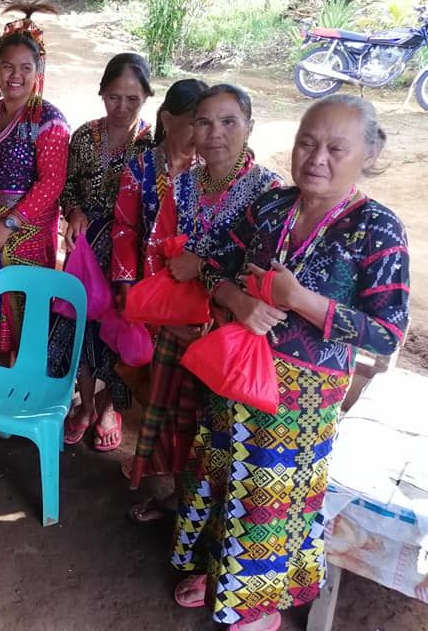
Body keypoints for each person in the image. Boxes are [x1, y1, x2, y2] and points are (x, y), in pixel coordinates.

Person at [171, 95, 410, 631]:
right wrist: (238, 301)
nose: (317, 158)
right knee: (220, 475)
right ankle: (216, 574)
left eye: (335, 149)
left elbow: (387, 332)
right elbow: (212, 265)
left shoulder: (377, 229)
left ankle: (258, 608)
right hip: (236, 375)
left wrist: (301, 300)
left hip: (298, 405)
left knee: (270, 501)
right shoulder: (272, 206)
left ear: (368, 154)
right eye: (307, 142)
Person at [126, 83, 282, 521]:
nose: (215, 133)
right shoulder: (185, 185)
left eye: (229, 121)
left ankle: (208, 524)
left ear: (250, 126)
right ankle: (178, 503)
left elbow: (265, 272)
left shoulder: (269, 192)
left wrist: (203, 270)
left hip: (229, 334)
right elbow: (159, 250)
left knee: (215, 432)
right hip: (179, 323)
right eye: (205, 122)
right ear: (191, 128)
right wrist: (166, 316)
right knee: (177, 421)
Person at [109, 78, 208, 511]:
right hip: (149, 293)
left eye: (209, 123)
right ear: (168, 118)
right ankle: (154, 471)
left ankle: (169, 479)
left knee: (183, 394)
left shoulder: (209, 172)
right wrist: (125, 284)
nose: (203, 133)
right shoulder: (142, 168)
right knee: (150, 381)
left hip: (193, 302)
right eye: (195, 122)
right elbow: (125, 228)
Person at [49, 52, 154, 452]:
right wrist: (74, 210)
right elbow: (67, 186)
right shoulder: (84, 137)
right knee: (79, 326)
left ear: (146, 97)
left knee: (118, 332)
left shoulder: (151, 145)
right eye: (114, 97)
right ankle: (86, 405)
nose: (122, 106)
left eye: (132, 99)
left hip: (128, 258)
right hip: (85, 250)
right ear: (102, 93)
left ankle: (109, 408)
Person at [0, 2, 70, 361]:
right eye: (8, 66)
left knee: (21, 312)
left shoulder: (49, 120)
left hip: (26, 233)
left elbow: (52, 183)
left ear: (38, 71)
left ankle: (21, 388)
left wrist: (9, 224)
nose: (15, 75)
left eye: (25, 67)